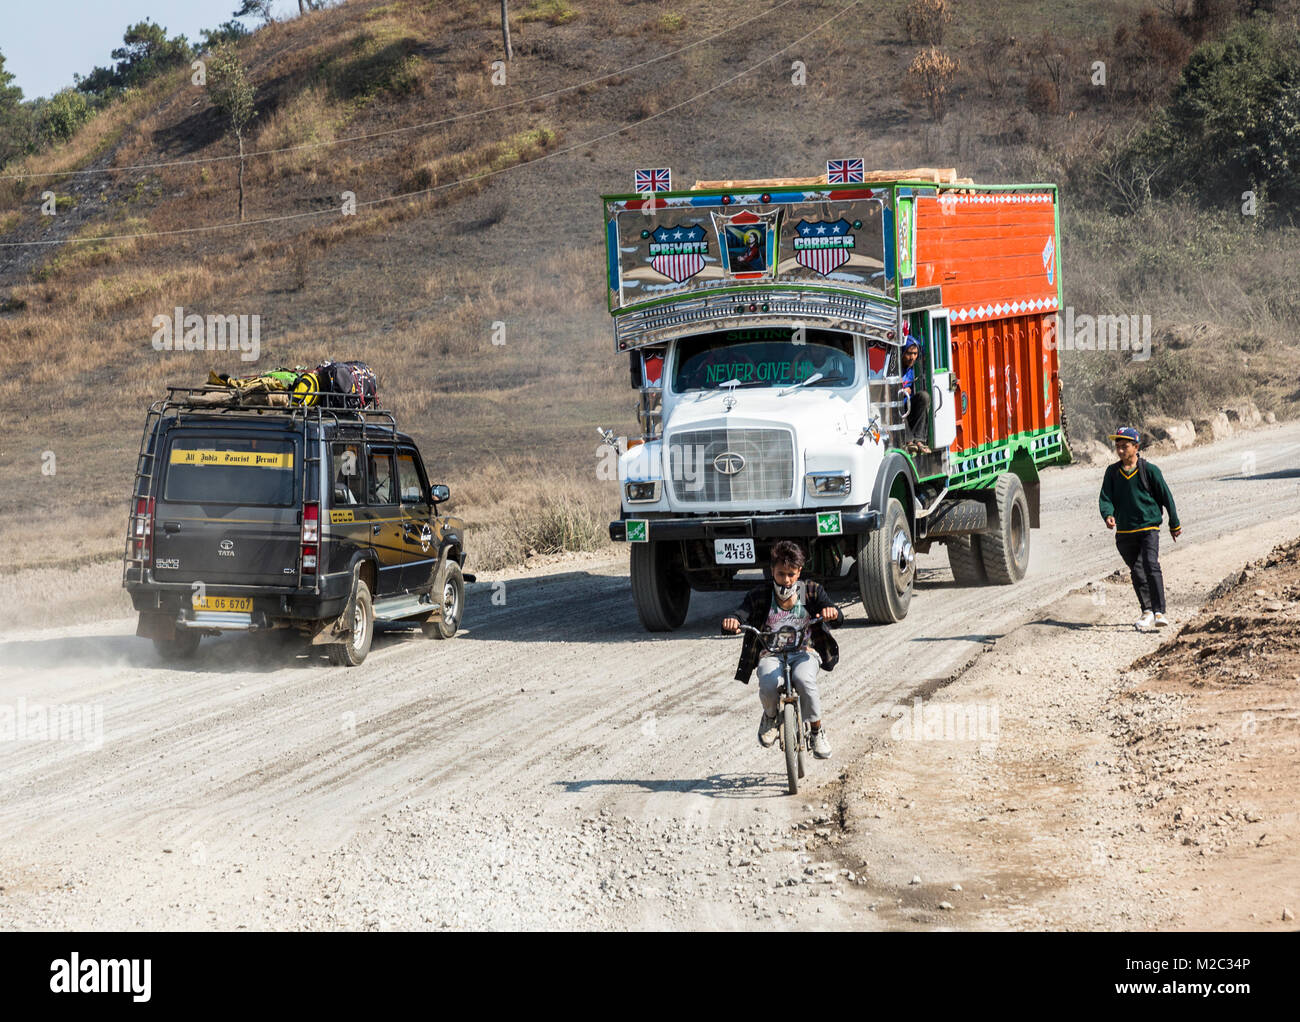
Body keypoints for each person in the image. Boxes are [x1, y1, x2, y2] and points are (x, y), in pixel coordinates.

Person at [722, 541, 842, 759]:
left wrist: (832, 611)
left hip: (804, 651)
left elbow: (835, 612)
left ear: (799, 573)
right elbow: (741, 613)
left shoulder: (809, 591)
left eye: (791, 574)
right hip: (771, 654)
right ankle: (769, 717)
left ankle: (816, 731)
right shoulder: (761, 594)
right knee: (768, 683)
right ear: (772, 571)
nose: (785, 580)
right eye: (780, 574)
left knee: (805, 681)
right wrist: (733, 620)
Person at [1099, 427, 1182, 631]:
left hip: (1148, 527)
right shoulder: (1112, 472)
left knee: (1151, 565)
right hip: (1125, 532)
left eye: (1124, 446)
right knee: (1136, 572)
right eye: (1117, 447)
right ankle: (1146, 611)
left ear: (1136, 447)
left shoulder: (1150, 470)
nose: (1119, 451)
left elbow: (1166, 496)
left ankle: (1159, 611)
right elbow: (1105, 498)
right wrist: (1108, 514)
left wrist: (1174, 523)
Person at [899, 338, 931, 452]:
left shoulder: (911, 368)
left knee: (924, 397)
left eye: (915, 354)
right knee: (898, 406)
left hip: (909, 409)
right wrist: (901, 391)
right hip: (897, 411)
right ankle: (909, 441)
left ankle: (919, 439)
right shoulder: (896, 368)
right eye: (909, 353)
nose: (912, 357)